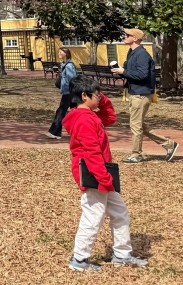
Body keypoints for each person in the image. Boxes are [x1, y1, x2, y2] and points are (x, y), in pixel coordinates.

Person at [63, 76, 147, 271]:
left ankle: (122, 255)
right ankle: (79, 259)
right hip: (95, 175)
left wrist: (102, 98)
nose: (99, 98)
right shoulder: (83, 119)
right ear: (84, 96)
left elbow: (110, 118)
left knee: (119, 213)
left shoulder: (90, 115)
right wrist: (103, 178)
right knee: (93, 215)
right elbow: (91, 152)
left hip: (103, 175)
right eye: (96, 95)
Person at [111, 28, 179, 164]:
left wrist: (124, 71)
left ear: (135, 38)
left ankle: (136, 155)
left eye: (127, 35)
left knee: (135, 126)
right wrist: (121, 72)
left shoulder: (141, 54)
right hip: (135, 92)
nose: (124, 36)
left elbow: (142, 75)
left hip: (141, 94)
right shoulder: (132, 52)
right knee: (139, 125)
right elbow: (132, 72)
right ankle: (169, 144)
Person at [46, 48, 78, 139]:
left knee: (60, 111)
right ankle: (78, 131)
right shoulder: (64, 65)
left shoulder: (69, 66)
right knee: (75, 112)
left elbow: (72, 79)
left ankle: (55, 132)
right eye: (59, 52)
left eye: (61, 52)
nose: (59, 53)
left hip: (69, 92)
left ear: (66, 54)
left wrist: (72, 92)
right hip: (69, 92)